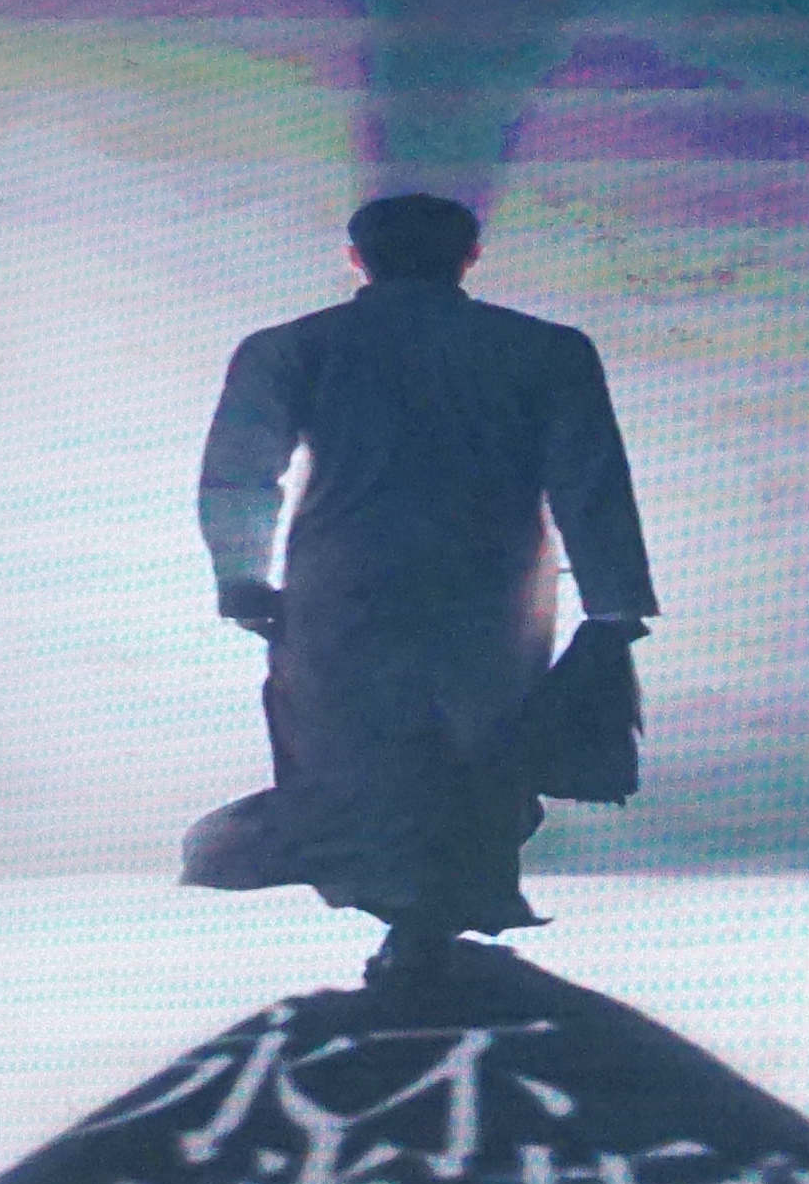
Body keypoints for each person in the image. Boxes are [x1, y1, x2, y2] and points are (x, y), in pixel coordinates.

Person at [183, 190, 656, 980]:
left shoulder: (291, 348)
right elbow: (590, 481)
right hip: (493, 586)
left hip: (344, 581)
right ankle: (434, 922)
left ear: (356, 258)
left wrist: (240, 577)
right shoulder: (545, 349)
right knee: (476, 753)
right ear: (470, 257)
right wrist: (615, 600)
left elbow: (239, 474)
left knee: (356, 753)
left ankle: (399, 914)